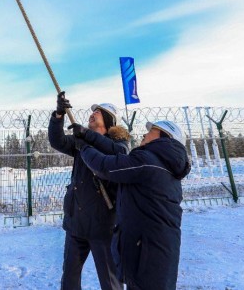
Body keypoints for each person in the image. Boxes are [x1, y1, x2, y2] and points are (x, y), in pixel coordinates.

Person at [78, 120, 191, 290]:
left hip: (147, 253)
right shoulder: (165, 165)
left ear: (165, 137)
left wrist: (84, 146)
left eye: (151, 130)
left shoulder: (148, 161)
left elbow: (105, 167)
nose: (145, 134)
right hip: (156, 248)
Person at [48, 92, 129, 290]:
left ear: (109, 121)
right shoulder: (80, 142)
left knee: (110, 281)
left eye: (99, 112)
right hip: (76, 223)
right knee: (70, 278)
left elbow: (118, 153)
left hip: (103, 226)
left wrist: (86, 135)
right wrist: (58, 116)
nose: (92, 114)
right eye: (93, 112)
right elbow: (57, 141)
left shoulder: (118, 145)